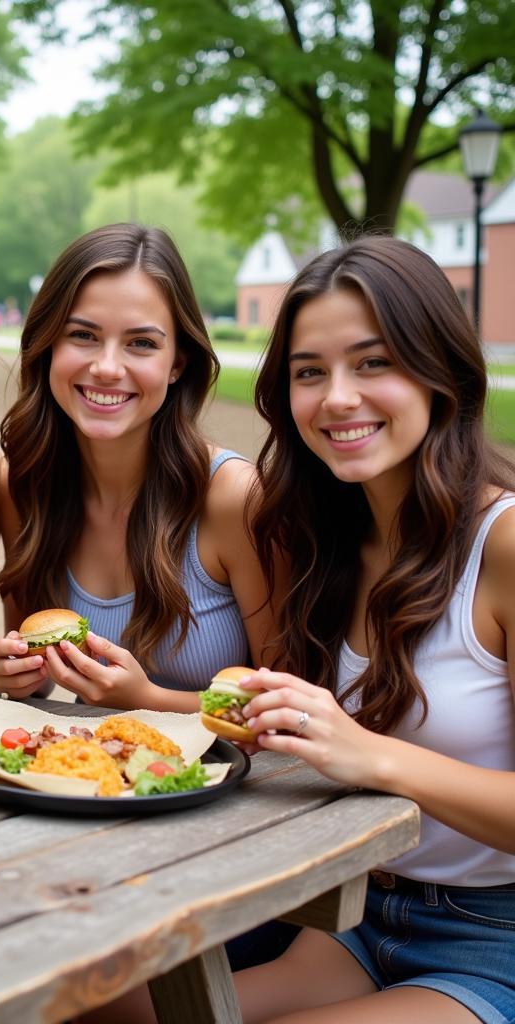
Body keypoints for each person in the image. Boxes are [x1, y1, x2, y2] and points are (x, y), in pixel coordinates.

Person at [227, 236, 515, 1023]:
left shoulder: (504, 543)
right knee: (102, 1006)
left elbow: (364, 753)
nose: (337, 398)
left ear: (441, 373)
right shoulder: (323, 540)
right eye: (309, 372)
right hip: (354, 914)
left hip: (495, 938)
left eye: (372, 362)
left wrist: (374, 756)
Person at [0, 223, 270, 710]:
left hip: (224, 781)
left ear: (177, 362)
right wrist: (15, 672)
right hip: (80, 774)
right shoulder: (23, 482)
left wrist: (148, 698)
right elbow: (42, 677)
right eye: (83, 335)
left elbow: (294, 701)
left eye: (141, 343)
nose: (107, 367)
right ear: (48, 344)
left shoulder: (234, 497)